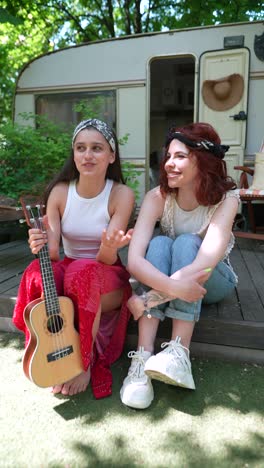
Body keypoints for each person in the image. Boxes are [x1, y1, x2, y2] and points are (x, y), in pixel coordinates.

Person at [120, 122, 239, 409]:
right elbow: (134, 261)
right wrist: (171, 288)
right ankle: (143, 357)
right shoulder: (157, 197)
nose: (169, 164)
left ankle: (179, 353)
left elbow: (204, 266)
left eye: (180, 157)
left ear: (204, 160)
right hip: (179, 282)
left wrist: (147, 298)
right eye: (168, 156)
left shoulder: (227, 200)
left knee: (185, 243)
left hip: (213, 279)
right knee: (160, 244)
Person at [13, 118, 135, 399]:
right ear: (74, 154)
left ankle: (84, 362)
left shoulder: (121, 194)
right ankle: (45, 347)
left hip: (106, 274)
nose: (87, 155)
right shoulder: (60, 192)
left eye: (97, 148)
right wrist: (39, 243)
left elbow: (105, 261)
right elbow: (54, 254)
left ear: (111, 155)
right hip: (71, 271)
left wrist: (108, 246)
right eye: (81, 148)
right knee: (37, 270)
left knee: (82, 271)